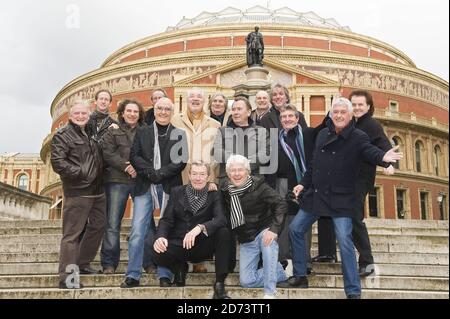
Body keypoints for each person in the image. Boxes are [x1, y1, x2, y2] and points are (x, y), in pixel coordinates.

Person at [279, 97, 403, 299]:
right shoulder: (322, 135)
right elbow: (313, 165)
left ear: (350, 115)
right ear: (331, 114)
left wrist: (383, 158)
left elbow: (369, 151)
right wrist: (303, 183)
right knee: (295, 229)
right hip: (317, 195)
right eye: (335, 112)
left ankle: (353, 291)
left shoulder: (358, 136)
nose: (338, 115)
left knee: (345, 241)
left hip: (341, 198)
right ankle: (300, 275)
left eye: (342, 112)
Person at [315, 90, 395, 276]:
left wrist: (388, 163)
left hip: (359, 179)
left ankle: (367, 262)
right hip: (339, 179)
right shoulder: (346, 121)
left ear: (368, 107)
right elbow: (322, 133)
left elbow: (384, 146)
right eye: (355, 104)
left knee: (354, 217)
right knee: (326, 211)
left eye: (361, 104)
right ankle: (327, 253)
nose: (358, 107)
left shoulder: (372, 125)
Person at [121, 97, 188, 288]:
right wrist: (151, 173)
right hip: (145, 185)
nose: (163, 112)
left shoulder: (179, 133)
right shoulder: (143, 132)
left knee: (167, 230)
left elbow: (181, 160)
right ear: (155, 110)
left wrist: (161, 173)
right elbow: (135, 156)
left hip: (169, 186)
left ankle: (165, 274)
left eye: (167, 109)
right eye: (160, 108)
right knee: (137, 232)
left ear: (172, 112)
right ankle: (132, 275)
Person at [152, 162, 231, 299]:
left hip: (203, 244)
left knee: (224, 232)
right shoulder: (177, 191)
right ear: (189, 175)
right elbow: (167, 219)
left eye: (202, 174)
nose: (198, 178)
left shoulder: (214, 194)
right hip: (180, 242)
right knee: (157, 251)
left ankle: (219, 284)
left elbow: (221, 219)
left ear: (208, 177)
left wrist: (200, 228)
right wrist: (161, 236)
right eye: (194, 174)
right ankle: (179, 268)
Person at [51, 100, 106, 289]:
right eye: (77, 114)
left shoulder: (90, 132)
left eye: (84, 113)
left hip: (98, 191)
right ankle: (67, 277)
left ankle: (82, 263)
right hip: (78, 191)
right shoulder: (62, 135)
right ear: (70, 116)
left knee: (98, 226)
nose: (81, 116)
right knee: (72, 235)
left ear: (89, 114)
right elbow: (58, 162)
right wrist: (82, 173)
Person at [221, 155, 287, 299]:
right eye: (233, 171)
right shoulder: (225, 189)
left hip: (263, 230)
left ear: (247, 172)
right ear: (228, 173)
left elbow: (281, 203)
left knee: (268, 244)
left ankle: (270, 292)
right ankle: (280, 271)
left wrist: (274, 229)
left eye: (240, 170)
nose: (237, 174)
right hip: (246, 238)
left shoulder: (259, 186)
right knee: (247, 281)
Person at [100, 99, 146, 274]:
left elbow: (149, 153)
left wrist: (137, 167)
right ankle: (109, 264)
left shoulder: (145, 131)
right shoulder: (113, 131)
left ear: (139, 114)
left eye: (136, 111)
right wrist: (126, 166)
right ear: (122, 113)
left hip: (139, 180)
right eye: (129, 111)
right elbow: (107, 153)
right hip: (116, 179)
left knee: (146, 223)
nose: (132, 114)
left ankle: (149, 263)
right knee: (112, 223)